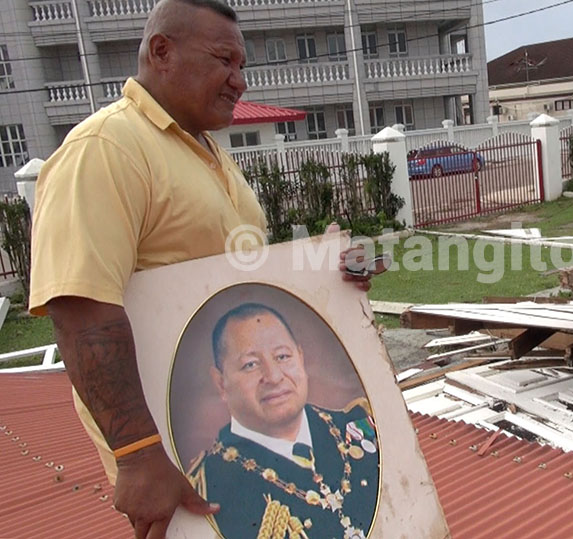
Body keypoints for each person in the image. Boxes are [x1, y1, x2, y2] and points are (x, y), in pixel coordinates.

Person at [28, 1, 372, 538]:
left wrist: (326, 273)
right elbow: (80, 309)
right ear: (161, 51)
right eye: (223, 61)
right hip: (170, 449)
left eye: (242, 67)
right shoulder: (106, 149)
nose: (239, 81)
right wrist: (138, 453)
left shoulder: (206, 153)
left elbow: (241, 278)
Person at [188, 303, 378, 539]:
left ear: (300, 357)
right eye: (250, 364)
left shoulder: (357, 427)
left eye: (282, 356)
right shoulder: (208, 485)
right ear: (220, 383)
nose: (274, 376)